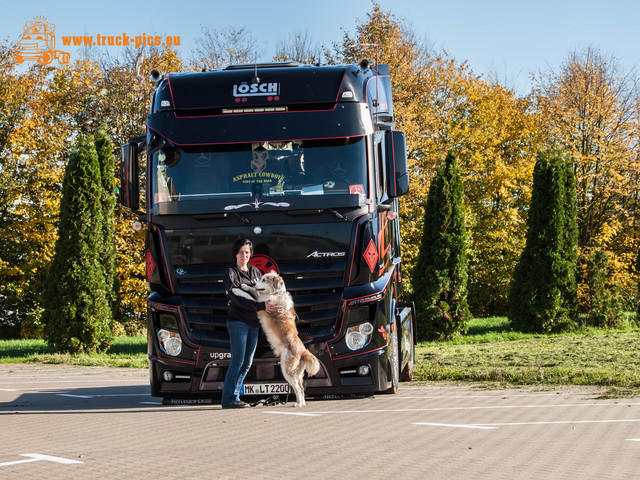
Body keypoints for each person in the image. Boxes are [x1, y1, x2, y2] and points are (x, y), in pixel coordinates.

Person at [221, 238, 275, 408]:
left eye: (247, 252)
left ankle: (235, 396)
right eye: (241, 252)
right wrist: (260, 305)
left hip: (253, 323)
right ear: (235, 253)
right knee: (237, 360)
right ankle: (228, 399)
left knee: (247, 362)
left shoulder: (255, 272)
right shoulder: (231, 272)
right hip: (238, 322)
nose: (244, 255)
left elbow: (262, 293)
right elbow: (236, 298)